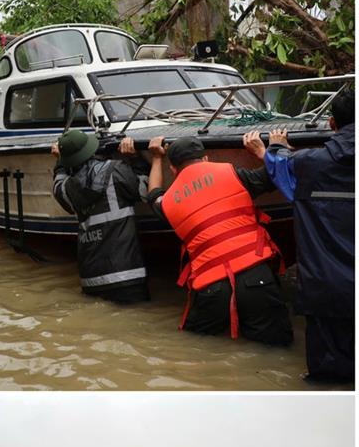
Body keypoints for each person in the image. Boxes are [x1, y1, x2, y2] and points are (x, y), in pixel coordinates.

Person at [243, 89, 355, 381]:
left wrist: (273, 149)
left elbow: (283, 171)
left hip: (326, 288)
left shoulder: (309, 164)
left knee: (328, 378)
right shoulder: (309, 162)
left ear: (331, 124)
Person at [146, 135, 292, 345]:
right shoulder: (233, 173)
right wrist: (273, 148)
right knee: (275, 347)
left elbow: (153, 195)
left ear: (174, 170)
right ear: (205, 159)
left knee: (195, 346)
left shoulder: (167, 202)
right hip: (256, 276)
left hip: (211, 287)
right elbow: (277, 173)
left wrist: (156, 158)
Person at [51, 131, 150, 303]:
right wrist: (135, 158)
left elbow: (58, 181)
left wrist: (61, 160)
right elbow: (145, 189)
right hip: (126, 276)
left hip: (91, 281)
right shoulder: (115, 170)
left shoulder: (65, 187)